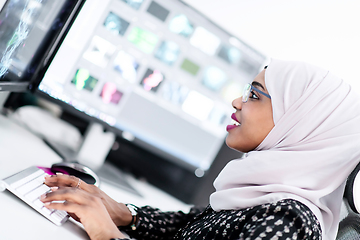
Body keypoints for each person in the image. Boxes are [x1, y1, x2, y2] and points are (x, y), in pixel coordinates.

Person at [41, 59, 360, 240]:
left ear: (300, 120)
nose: (237, 101)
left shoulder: (290, 222)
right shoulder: (264, 193)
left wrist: (106, 233)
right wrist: (123, 214)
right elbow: (190, 229)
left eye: (255, 95)